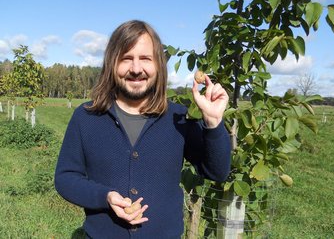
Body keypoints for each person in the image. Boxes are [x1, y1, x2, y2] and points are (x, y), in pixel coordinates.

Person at [54, 20, 231, 239]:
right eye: (126, 59)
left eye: (145, 59)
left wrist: (213, 123)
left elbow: (216, 172)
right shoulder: (86, 117)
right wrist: (105, 196)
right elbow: (65, 178)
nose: (136, 69)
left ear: (158, 65)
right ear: (111, 64)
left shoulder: (179, 118)